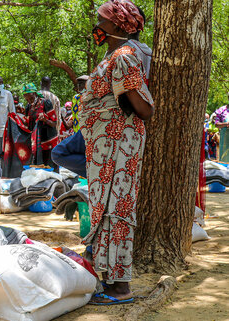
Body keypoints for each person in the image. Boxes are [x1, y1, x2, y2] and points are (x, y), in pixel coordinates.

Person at [80, 0, 153, 305]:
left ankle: (120, 287)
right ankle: (107, 276)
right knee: (108, 208)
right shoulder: (116, 54)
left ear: (117, 25)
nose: (96, 25)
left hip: (118, 145)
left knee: (117, 208)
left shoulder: (123, 56)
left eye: (100, 20)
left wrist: (118, 107)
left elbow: (144, 108)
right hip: (105, 146)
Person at [23, 83, 58, 170]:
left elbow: (54, 123)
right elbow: (28, 124)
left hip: (49, 141)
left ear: (35, 93)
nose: (29, 101)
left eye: (31, 98)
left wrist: (45, 120)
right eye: (27, 99)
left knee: (51, 167)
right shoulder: (28, 107)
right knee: (40, 169)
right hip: (37, 143)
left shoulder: (46, 103)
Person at [212, 93, 229, 162]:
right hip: (225, 140)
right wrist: (226, 124)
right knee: (224, 160)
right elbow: (216, 124)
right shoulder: (222, 110)